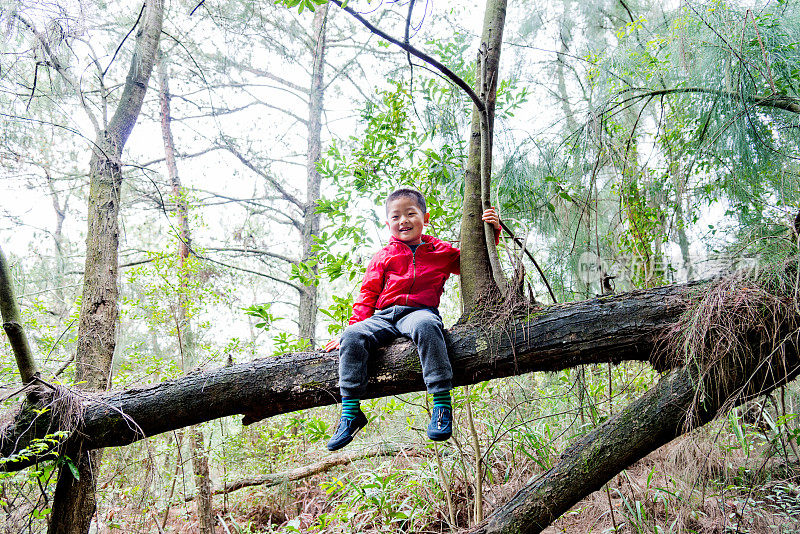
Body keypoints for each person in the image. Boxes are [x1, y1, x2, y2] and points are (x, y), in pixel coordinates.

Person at [323, 187, 501, 451]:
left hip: (419, 312)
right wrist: (351, 328)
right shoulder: (383, 256)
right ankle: (351, 413)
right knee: (352, 336)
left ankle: (441, 405)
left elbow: (473, 260)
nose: (403, 220)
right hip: (385, 316)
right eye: (395, 217)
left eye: (410, 213)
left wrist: (493, 231)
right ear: (388, 224)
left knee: (427, 326)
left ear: (425, 218)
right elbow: (367, 294)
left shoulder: (439, 251)